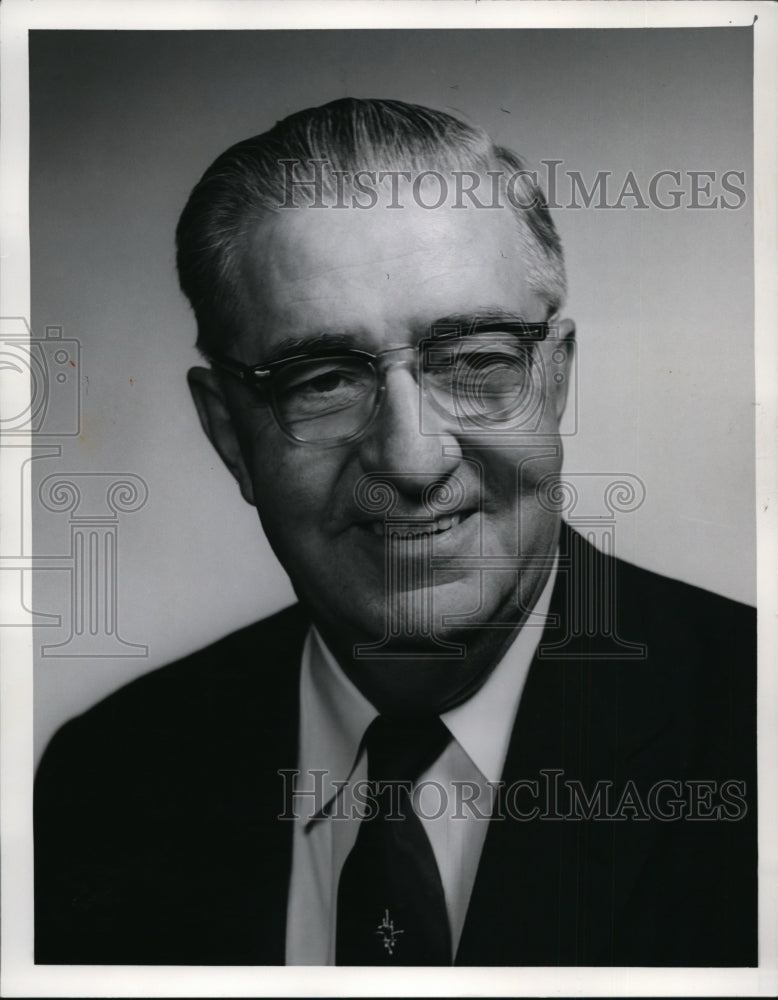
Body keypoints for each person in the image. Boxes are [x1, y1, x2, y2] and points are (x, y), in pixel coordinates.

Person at [34, 98, 757, 967]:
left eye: (476, 361)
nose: (411, 461)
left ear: (555, 381)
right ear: (229, 432)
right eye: (324, 379)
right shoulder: (106, 782)